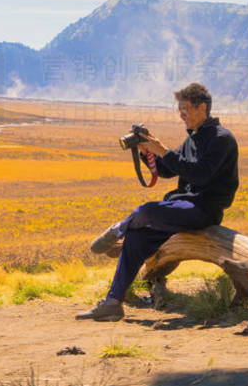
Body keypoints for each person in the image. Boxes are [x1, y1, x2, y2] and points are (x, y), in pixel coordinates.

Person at [76, 82, 239, 321]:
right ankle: (113, 302)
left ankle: (118, 229)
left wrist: (162, 149)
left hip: (204, 210)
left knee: (147, 210)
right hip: (182, 208)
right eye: (179, 108)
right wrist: (146, 151)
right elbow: (167, 171)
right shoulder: (193, 138)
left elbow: (200, 174)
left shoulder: (222, 139)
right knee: (136, 238)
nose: (180, 114)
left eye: (185, 108)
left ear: (201, 107)